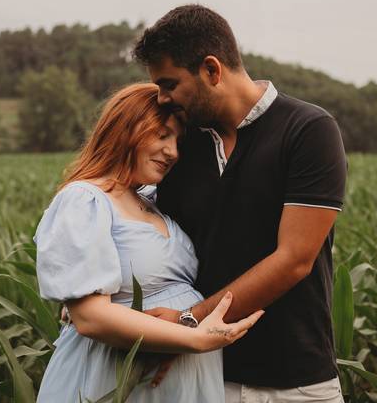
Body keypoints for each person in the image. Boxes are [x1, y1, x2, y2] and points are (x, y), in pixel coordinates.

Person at [133, 5, 347, 403]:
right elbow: (140, 226)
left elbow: (294, 259)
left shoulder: (308, 130)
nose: (161, 98)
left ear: (212, 70)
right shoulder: (179, 145)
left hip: (297, 383)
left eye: (169, 84)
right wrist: (94, 289)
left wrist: (186, 324)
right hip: (201, 376)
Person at [34, 83, 264, 402]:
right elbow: (90, 317)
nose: (173, 152)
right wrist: (194, 339)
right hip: (112, 380)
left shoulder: (151, 200)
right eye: (161, 134)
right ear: (123, 129)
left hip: (177, 384)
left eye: (177, 141)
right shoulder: (84, 200)